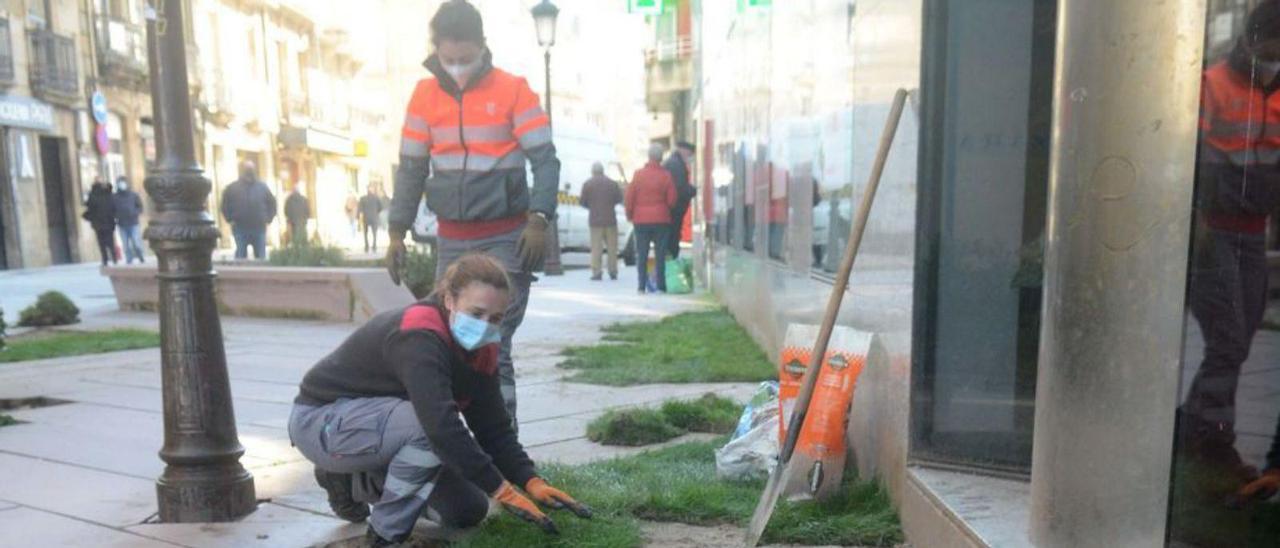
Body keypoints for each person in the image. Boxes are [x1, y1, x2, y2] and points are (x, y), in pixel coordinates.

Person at [290, 253, 591, 546]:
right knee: (427, 432)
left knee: (468, 510)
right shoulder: (418, 334)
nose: (485, 325)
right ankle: (383, 535)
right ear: (449, 300)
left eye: (495, 318)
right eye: (476, 313)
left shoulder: (483, 351)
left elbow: (493, 430)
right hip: (322, 421)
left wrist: (529, 480)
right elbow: (441, 427)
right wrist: (500, 488)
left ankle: (350, 482)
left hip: (384, 429)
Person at [386, 0, 560, 428]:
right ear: (436, 51)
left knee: (490, 340)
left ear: (483, 47)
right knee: (449, 338)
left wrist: (539, 218)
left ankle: (504, 445)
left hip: (507, 235)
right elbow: (411, 168)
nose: (459, 67)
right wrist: (396, 230)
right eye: (449, 59)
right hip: (453, 239)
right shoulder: (423, 98)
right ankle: (460, 443)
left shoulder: (513, 90)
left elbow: (545, 159)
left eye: (466, 58)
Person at [1179, 1, 1280, 484]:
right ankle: (1214, 438)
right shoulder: (1211, 85)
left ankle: (1193, 424)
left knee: (1237, 341)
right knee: (1229, 340)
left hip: (1252, 234)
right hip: (1211, 232)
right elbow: (1188, 161)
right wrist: (1195, 223)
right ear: (1253, 40)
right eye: (1273, 46)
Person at [626, 144, 676, 294]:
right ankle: (661, 285)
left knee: (642, 254)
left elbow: (629, 197)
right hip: (661, 219)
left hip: (641, 220)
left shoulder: (638, 175)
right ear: (661, 158)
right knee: (660, 254)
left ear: (649, 156)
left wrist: (630, 215)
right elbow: (672, 199)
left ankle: (641, 286)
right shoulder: (666, 176)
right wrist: (666, 209)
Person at [220, 161, 277, 260]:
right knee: (241, 256)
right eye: (247, 168)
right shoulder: (232, 187)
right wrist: (230, 219)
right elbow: (224, 205)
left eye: (251, 168)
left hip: (258, 227)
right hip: (240, 226)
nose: (249, 171)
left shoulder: (262, 187)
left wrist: (268, 219)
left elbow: (272, 203)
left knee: (260, 258)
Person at [579, 162, 623, 281]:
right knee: (612, 248)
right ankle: (613, 271)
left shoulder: (587, 184)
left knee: (596, 247)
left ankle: (597, 272)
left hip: (595, 221)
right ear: (603, 171)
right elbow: (619, 199)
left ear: (593, 171)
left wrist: (592, 206)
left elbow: (582, 202)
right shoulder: (612, 184)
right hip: (610, 220)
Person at [663, 141, 696, 259]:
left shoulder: (674, 162)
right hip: (674, 209)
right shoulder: (676, 164)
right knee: (672, 239)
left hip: (673, 209)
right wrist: (693, 191)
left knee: (672, 238)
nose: (690, 156)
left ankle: (670, 259)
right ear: (683, 150)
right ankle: (670, 261)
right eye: (690, 153)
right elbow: (679, 187)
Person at [82, 178, 117, 266]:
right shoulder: (108, 194)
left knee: (101, 243)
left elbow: (89, 206)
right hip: (109, 222)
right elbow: (113, 205)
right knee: (110, 241)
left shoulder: (93, 195)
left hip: (98, 223)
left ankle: (105, 260)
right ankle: (114, 258)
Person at [112, 176, 145, 264]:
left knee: (136, 242)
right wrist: (116, 216)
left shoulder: (133, 195)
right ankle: (129, 259)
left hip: (133, 222)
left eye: (123, 182)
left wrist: (135, 212)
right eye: (120, 183)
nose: (122, 185)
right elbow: (112, 209)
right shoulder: (114, 197)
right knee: (125, 244)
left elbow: (140, 207)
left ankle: (140, 255)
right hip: (122, 223)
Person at [360, 184, 385, 253]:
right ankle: (374, 245)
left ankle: (366, 246)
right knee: (374, 233)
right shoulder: (376, 198)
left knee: (365, 233)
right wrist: (376, 212)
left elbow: (360, 209)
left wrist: (361, 216)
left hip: (366, 217)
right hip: (374, 217)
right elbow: (381, 207)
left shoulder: (363, 198)